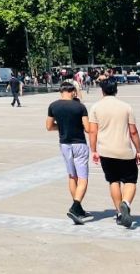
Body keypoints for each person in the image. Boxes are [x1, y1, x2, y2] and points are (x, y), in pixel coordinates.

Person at [88, 78, 140, 229]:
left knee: (113, 181)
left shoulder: (95, 107)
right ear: (116, 90)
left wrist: (93, 150)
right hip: (125, 151)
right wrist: (139, 150)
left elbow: (92, 131)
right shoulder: (126, 107)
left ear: (102, 91)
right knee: (130, 181)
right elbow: (133, 131)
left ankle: (119, 213)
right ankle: (126, 203)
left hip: (106, 151)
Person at [46, 82, 93, 224]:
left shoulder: (53, 106)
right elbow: (88, 128)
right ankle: (75, 207)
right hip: (79, 144)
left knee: (72, 176)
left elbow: (49, 126)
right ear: (72, 91)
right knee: (83, 178)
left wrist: (61, 127)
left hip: (65, 144)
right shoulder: (80, 107)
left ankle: (78, 209)